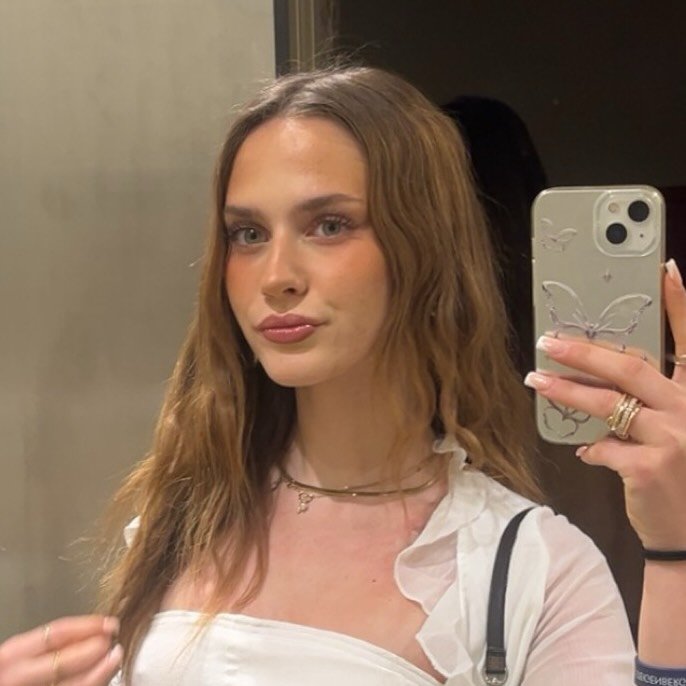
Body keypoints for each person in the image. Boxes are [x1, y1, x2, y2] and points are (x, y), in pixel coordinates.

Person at [1, 65, 685, 685]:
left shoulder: (531, 571)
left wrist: (675, 550)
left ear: (423, 246)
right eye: (248, 234)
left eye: (329, 225)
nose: (276, 276)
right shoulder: (182, 518)